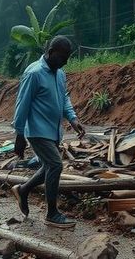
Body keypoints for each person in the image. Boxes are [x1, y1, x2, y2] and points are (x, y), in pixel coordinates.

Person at [10, 35, 86, 229]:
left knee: (48, 167)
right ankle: (51, 213)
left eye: (68, 57)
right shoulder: (34, 73)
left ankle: (23, 189)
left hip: (54, 131)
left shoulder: (60, 74)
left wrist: (73, 118)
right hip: (37, 130)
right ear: (51, 52)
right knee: (55, 165)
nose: (66, 61)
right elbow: (22, 104)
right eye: (63, 56)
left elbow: (64, 98)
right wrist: (19, 134)